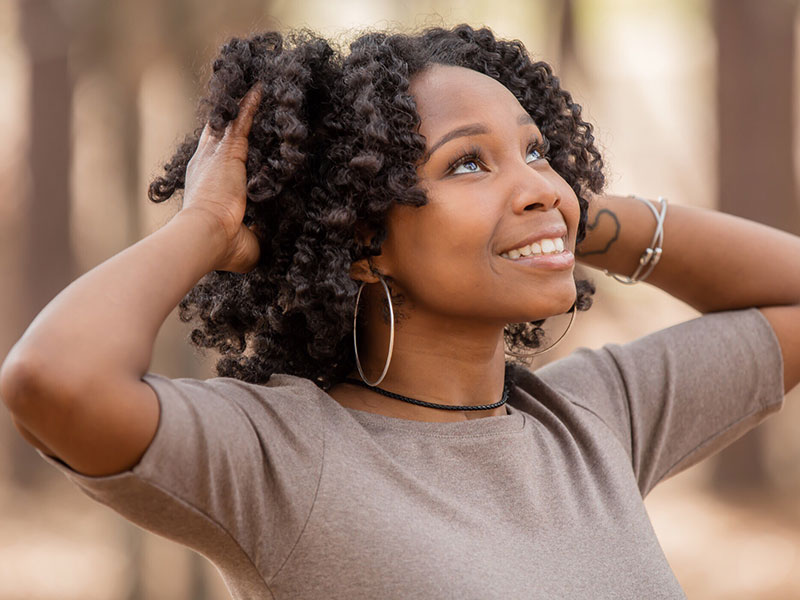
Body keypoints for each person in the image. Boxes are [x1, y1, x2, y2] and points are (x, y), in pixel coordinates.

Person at [1, 25, 798, 600]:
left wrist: (567, 212)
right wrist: (203, 229)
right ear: (364, 242)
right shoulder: (283, 459)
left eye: (536, 149)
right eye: (467, 162)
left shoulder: (598, 416)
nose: (536, 182)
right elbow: (53, 380)